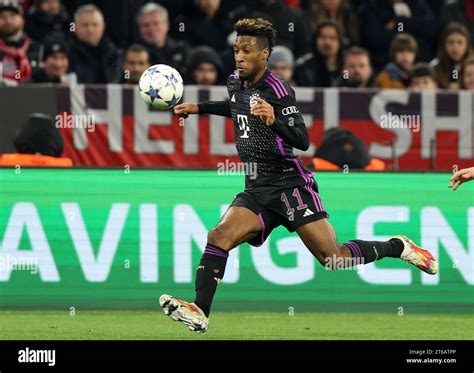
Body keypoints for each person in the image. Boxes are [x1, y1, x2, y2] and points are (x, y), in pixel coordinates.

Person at [159, 18, 439, 333]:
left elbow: (302, 140)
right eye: (237, 49)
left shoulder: (278, 89)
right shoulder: (235, 81)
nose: (239, 56)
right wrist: (201, 108)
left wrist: (274, 120)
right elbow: (236, 106)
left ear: (264, 55)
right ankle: (200, 310)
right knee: (218, 236)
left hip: (290, 185)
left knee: (333, 258)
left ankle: (398, 246)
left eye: (247, 50)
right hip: (258, 188)